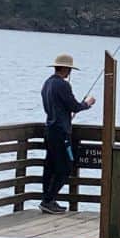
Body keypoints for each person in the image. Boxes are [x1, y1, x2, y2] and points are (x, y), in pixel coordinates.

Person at [40, 54, 95, 213]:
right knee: (66, 167)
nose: (70, 72)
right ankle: (49, 200)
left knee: (50, 166)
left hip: (49, 130)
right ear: (65, 68)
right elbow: (75, 106)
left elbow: (55, 107)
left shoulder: (47, 83)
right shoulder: (62, 85)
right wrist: (87, 103)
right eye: (69, 69)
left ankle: (47, 200)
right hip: (61, 133)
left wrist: (64, 115)